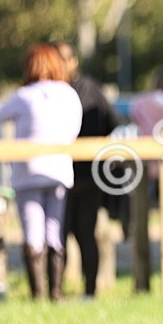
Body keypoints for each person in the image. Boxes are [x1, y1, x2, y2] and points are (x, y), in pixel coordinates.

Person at [0, 44, 82, 300]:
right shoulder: (68, 94)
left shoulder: (25, 95)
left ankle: (38, 294)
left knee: (33, 232)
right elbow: (74, 129)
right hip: (59, 169)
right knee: (54, 229)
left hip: (28, 169)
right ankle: (56, 292)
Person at [52, 40, 120, 298]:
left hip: (86, 175)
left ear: (73, 61)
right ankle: (56, 291)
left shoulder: (89, 89)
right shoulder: (54, 90)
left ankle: (89, 292)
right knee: (59, 235)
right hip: (60, 174)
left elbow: (111, 121)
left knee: (85, 235)